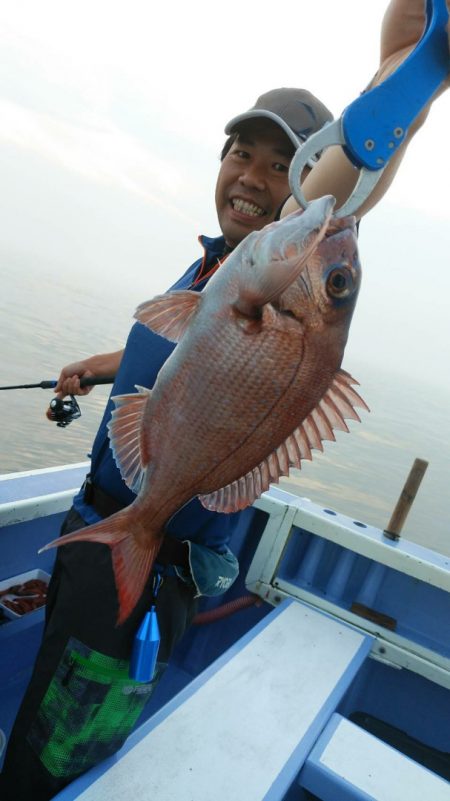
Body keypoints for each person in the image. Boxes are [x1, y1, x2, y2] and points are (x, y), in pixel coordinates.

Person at [1, 2, 448, 799]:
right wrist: (96, 367)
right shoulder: (216, 271)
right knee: (36, 712)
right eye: (239, 152)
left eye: (280, 166)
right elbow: (167, 356)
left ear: (302, 188)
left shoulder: (284, 267)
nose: (250, 176)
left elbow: (349, 176)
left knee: (52, 764)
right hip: (96, 531)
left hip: (139, 565)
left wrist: (411, 70)